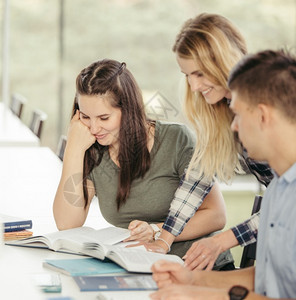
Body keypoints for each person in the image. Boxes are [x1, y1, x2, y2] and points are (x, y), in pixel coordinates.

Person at [153, 13, 296, 271]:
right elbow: (198, 177)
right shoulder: (222, 108)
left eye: (199, 74)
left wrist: (223, 240)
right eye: (187, 75)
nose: (194, 86)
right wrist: (164, 240)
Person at [52, 58, 234, 269]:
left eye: (104, 118)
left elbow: (216, 215)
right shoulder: (93, 149)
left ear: (128, 111)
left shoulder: (176, 140)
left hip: (196, 265)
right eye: (85, 117)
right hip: (138, 267)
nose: (93, 128)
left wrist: (156, 230)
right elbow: (67, 224)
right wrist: (74, 150)